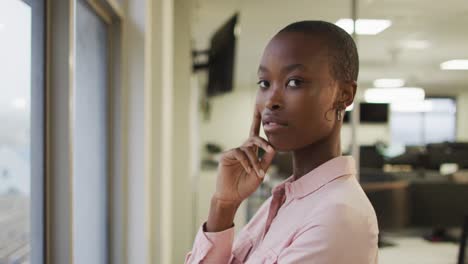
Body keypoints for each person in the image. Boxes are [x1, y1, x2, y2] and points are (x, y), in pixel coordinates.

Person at [185, 20, 379, 263]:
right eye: (264, 84)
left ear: (344, 95)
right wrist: (224, 205)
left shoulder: (338, 215)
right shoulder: (284, 200)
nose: (270, 101)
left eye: (294, 82)